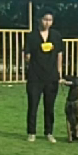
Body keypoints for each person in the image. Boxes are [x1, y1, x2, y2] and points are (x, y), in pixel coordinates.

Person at [23, 11, 64, 142]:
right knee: (33, 105)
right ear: (40, 20)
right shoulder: (31, 36)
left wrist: (59, 72)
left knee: (50, 106)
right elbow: (27, 55)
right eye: (45, 19)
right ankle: (31, 132)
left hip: (51, 76)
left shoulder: (56, 36)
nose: (47, 22)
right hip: (35, 76)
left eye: (50, 20)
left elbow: (59, 54)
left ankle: (49, 132)